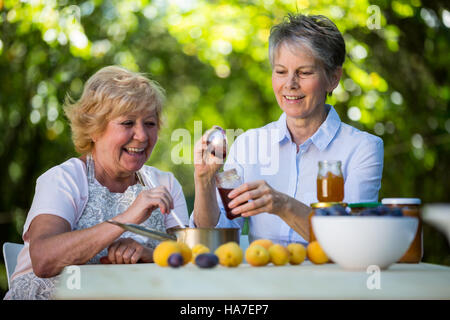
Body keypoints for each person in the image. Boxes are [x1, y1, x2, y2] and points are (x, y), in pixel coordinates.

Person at [190, 14, 384, 246]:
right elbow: (216, 235)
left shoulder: (363, 148)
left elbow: (355, 241)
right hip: (262, 278)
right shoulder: (247, 144)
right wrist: (203, 181)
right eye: (281, 72)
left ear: (333, 78)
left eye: (304, 72)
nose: (289, 84)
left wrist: (283, 205)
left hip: (332, 280)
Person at [4, 66, 189, 300]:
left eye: (150, 123)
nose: (142, 135)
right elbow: (43, 260)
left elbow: (192, 260)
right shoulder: (64, 180)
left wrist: (150, 254)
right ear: (94, 129)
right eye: (128, 123)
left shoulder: (165, 184)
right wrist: (124, 221)